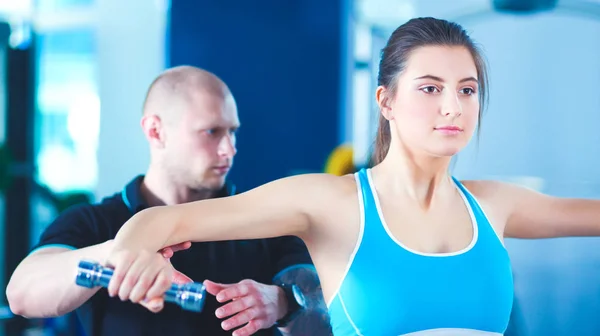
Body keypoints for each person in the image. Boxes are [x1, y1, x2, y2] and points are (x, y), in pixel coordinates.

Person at [88, 17, 599, 336]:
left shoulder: (496, 204)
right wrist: (132, 257)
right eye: (429, 88)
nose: (453, 106)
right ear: (386, 101)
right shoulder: (330, 201)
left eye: (467, 90)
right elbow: (159, 222)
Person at [6, 66, 331, 336]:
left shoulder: (264, 220)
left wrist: (283, 301)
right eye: (211, 132)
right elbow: (21, 295)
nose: (229, 150)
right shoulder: (94, 223)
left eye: (232, 132)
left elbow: (327, 305)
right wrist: (117, 254)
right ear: (156, 131)